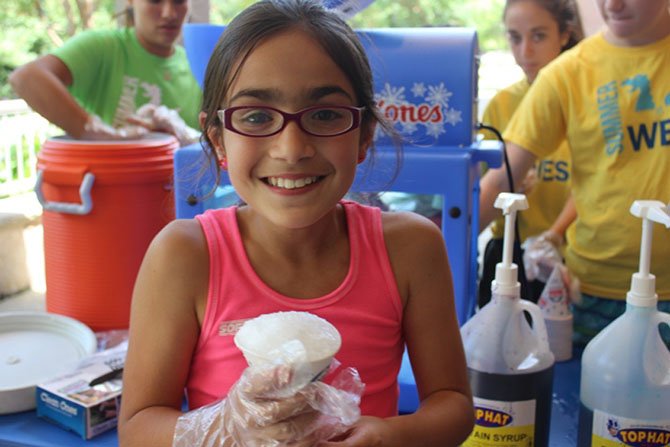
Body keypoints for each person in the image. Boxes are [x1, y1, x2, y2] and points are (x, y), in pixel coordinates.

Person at [118, 0, 474, 446]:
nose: (291, 148)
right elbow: (136, 428)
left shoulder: (410, 248)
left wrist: (389, 436)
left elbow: (453, 404)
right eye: (256, 117)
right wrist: (226, 427)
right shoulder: (185, 255)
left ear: (364, 135)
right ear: (218, 140)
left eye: (325, 115)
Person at [479, 0, 670, 345]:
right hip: (595, 293)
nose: (613, 4)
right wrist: (434, 254)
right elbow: (499, 180)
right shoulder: (568, 74)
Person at [478, 0, 583, 307]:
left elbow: (596, 183)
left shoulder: (587, 95)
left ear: (564, 34)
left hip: (568, 251)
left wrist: (554, 234)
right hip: (508, 251)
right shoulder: (501, 103)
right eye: (514, 37)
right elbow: (484, 189)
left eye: (538, 36)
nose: (525, 51)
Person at [8, 0, 201, 145]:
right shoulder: (104, 47)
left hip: (183, 194)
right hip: (108, 188)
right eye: (155, 0)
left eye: (179, 0)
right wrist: (97, 133)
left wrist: (185, 136)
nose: (169, 13)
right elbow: (26, 78)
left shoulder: (199, 63)